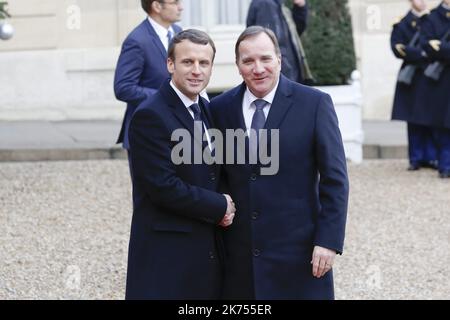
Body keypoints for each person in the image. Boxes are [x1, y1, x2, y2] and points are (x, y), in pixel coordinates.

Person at [210, 26, 349, 300]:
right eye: (248, 61)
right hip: (240, 255)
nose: (258, 68)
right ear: (238, 66)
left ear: (279, 60)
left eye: (265, 59)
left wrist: (328, 242)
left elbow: (335, 179)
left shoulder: (314, 104)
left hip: (300, 253)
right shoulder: (219, 109)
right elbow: (215, 174)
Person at [125, 29, 236, 299]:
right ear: (170, 64)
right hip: (168, 254)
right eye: (188, 62)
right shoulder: (150, 115)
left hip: (204, 249)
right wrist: (220, 205)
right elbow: (162, 186)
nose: (196, 70)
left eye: (204, 63)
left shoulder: (207, 109)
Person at [114, 0, 183, 161]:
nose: (181, 7)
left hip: (177, 129)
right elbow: (123, 87)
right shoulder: (137, 40)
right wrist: (165, 96)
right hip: (146, 130)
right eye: (175, 2)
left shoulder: (178, 33)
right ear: (157, 6)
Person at [391, 0, 438, 171]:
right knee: (413, 120)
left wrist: (421, 52)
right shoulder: (402, 22)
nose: (423, 1)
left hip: (430, 76)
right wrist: (423, 52)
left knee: (431, 118)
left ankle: (431, 157)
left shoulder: (432, 19)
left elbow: (436, 46)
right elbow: (398, 48)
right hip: (411, 78)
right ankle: (416, 157)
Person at [413, 0, 450, 178]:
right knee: (442, 126)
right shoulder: (433, 18)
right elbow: (428, 45)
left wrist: (444, 49)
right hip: (441, 82)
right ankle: (446, 165)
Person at [246, 0, 311, 84]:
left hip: (286, 75)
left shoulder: (277, 4)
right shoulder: (266, 4)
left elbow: (293, 34)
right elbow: (267, 45)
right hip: (283, 76)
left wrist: (300, 8)